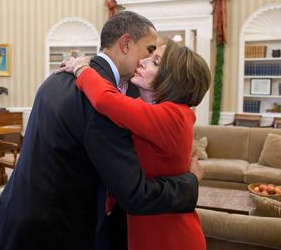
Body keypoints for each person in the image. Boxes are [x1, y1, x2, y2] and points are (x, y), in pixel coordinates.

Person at [0, 11, 203, 250]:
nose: (147, 60)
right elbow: (134, 194)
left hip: (20, 212)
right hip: (56, 230)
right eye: (150, 51)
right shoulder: (96, 98)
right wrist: (189, 183)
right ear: (126, 43)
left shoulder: (57, 78)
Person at [58, 39, 211, 250]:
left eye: (155, 62)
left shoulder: (174, 116)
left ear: (171, 79)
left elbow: (104, 99)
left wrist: (82, 68)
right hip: (143, 229)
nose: (143, 61)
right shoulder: (146, 110)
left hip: (171, 237)